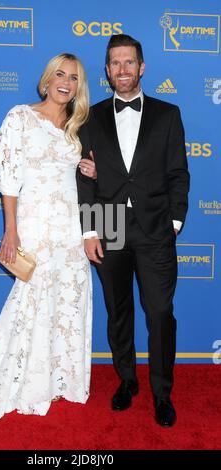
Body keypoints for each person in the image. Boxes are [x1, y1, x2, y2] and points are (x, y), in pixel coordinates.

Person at [0, 53, 96, 422]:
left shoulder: (79, 125)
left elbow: (85, 176)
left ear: (78, 87)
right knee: (34, 298)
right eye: (59, 74)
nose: (65, 82)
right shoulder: (20, 116)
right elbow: (8, 178)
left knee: (69, 299)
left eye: (73, 78)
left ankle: (62, 380)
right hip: (36, 224)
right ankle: (27, 379)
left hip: (70, 229)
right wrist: (11, 229)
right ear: (46, 80)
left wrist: (92, 169)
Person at [77, 34, 190, 427]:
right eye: (115, 63)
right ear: (106, 70)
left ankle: (162, 392)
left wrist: (174, 223)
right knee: (118, 312)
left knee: (160, 313)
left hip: (156, 228)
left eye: (129, 62)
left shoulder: (168, 114)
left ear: (141, 67)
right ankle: (127, 380)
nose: (122, 69)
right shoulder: (89, 118)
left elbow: (178, 172)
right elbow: (85, 179)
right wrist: (90, 231)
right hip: (108, 226)